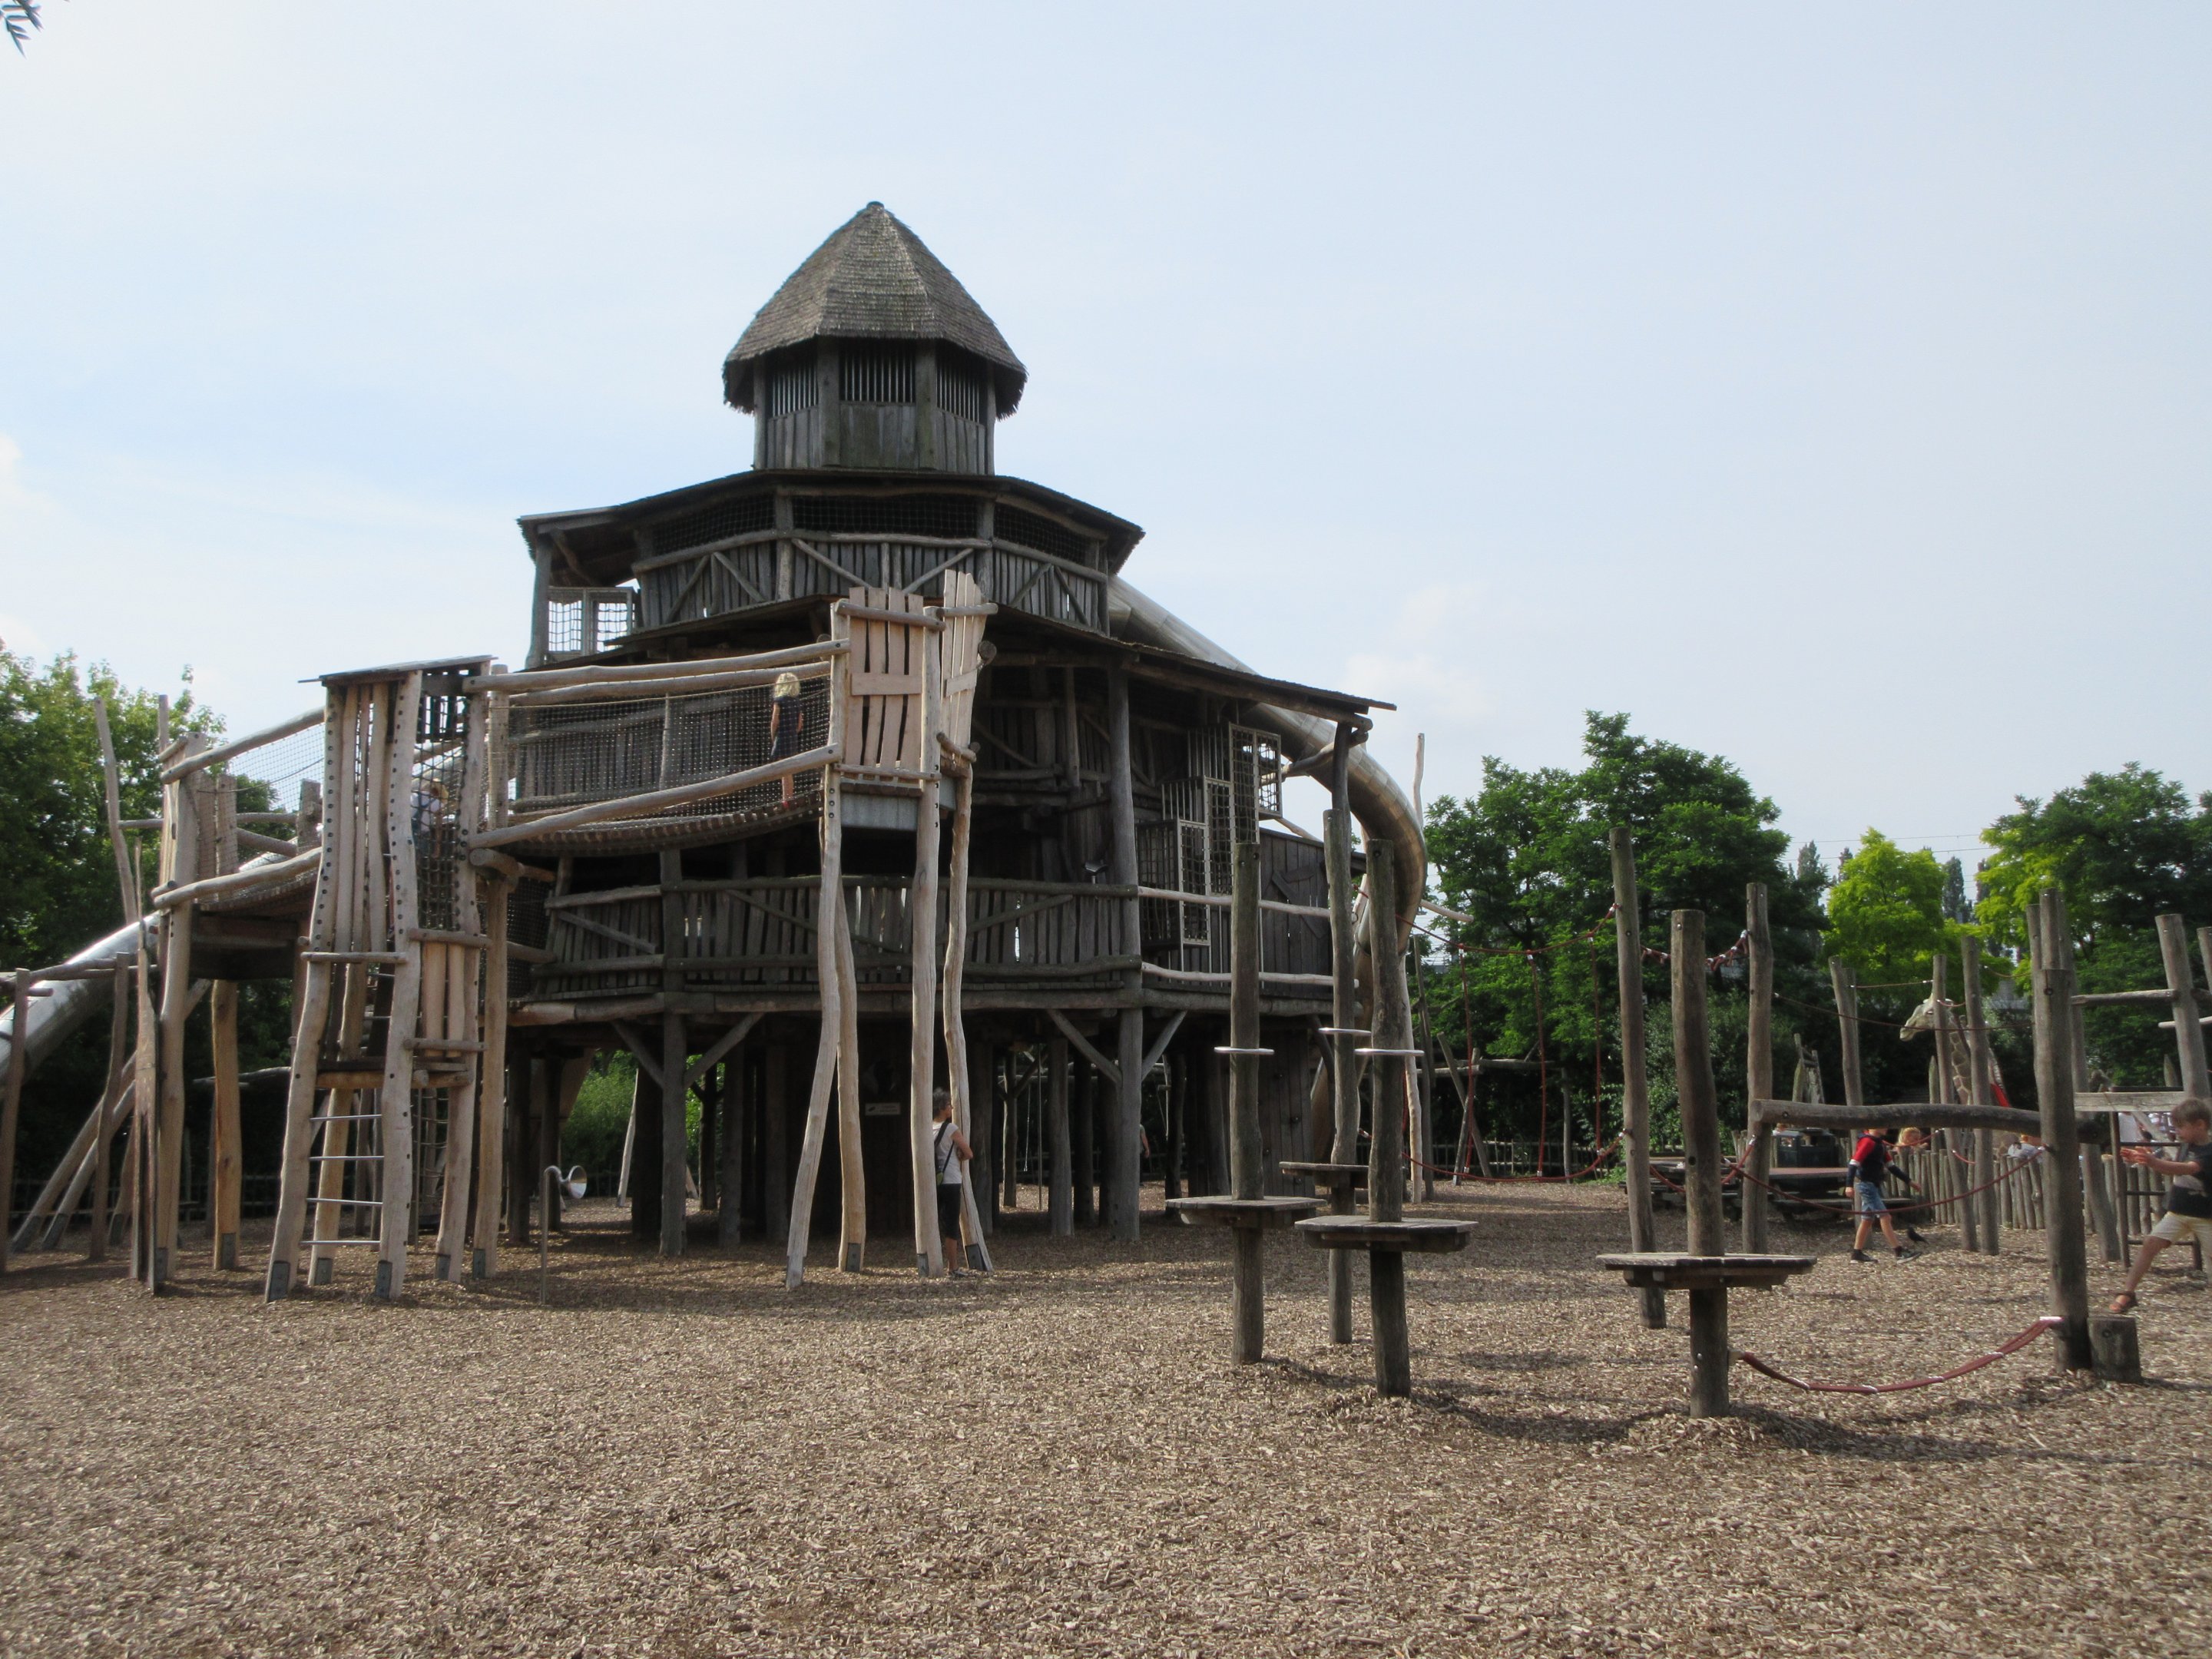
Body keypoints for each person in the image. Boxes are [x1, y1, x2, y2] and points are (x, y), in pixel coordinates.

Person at [2111, 1098, 2212, 1312]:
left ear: (2200, 1125)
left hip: (2205, 1216)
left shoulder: (2209, 1151)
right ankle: (2128, 1293)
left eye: (2181, 1126)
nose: (2177, 1131)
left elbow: (2190, 1169)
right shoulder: (2187, 1146)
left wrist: (2153, 1162)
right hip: (2178, 1213)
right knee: (2150, 1244)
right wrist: (2145, 1159)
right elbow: (2172, 1169)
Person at [1848, 1125, 1920, 1263]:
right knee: (1885, 1216)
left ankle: (1856, 1254)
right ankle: (1899, 1252)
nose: (1887, 1127)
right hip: (1866, 1185)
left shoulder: (1879, 1144)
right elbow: (1853, 1163)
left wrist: (1910, 1182)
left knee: (1867, 1220)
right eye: (1882, 1124)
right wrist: (1848, 1185)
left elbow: (1891, 1166)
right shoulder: (1867, 1142)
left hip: (1873, 1185)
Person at [931, 1090, 973, 1276]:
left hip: (935, 1181)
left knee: (936, 1221)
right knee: (951, 1224)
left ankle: (932, 1261)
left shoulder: (929, 1128)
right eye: (949, 1104)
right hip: (951, 1180)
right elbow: (969, 1153)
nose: (952, 1107)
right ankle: (953, 1266)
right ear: (942, 1108)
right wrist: (960, 1156)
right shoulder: (951, 1129)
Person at [767, 671, 805, 806]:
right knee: (787, 770)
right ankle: (788, 797)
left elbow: (775, 720)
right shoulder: (797, 702)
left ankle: (787, 799)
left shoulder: (779, 701)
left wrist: (773, 736)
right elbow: (800, 724)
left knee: (784, 770)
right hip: (792, 737)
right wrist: (793, 733)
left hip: (782, 736)